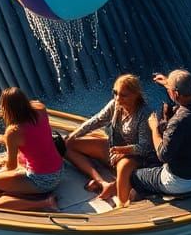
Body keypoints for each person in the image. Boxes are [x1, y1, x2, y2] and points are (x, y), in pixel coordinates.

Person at [63, 74, 158, 207]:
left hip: (135, 156)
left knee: (124, 167)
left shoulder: (145, 114)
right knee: (68, 144)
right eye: (115, 93)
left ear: (135, 95)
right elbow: (97, 120)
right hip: (115, 148)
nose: (118, 98)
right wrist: (74, 134)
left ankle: (122, 204)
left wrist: (124, 151)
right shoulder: (115, 104)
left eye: (123, 95)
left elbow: (145, 147)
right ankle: (102, 182)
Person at [130, 69, 191, 201]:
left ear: (176, 93)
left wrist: (154, 128)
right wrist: (167, 82)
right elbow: (183, 90)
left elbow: (163, 155)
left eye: (169, 90)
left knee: (135, 176)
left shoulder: (178, 121)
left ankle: (146, 200)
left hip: (178, 182)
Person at [0, 87, 62, 212]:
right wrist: (4, 139)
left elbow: (11, 167)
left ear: (7, 109)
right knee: (22, 156)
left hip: (43, 181)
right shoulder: (40, 108)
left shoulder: (13, 131)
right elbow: (32, 138)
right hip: (58, 170)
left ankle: (45, 203)